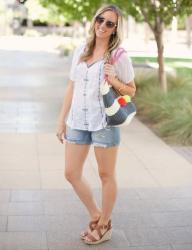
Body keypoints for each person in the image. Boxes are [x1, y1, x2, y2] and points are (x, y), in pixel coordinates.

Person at [56, 4, 136, 245]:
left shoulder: (119, 55)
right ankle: (96, 214)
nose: (102, 25)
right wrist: (62, 120)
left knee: (105, 175)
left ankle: (103, 225)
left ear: (115, 28)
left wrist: (114, 80)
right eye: (100, 19)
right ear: (94, 20)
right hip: (78, 121)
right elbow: (72, 86)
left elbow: (132, 90)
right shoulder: (81, 50)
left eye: (109, 23)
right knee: (71, 173)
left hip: (104, 123)